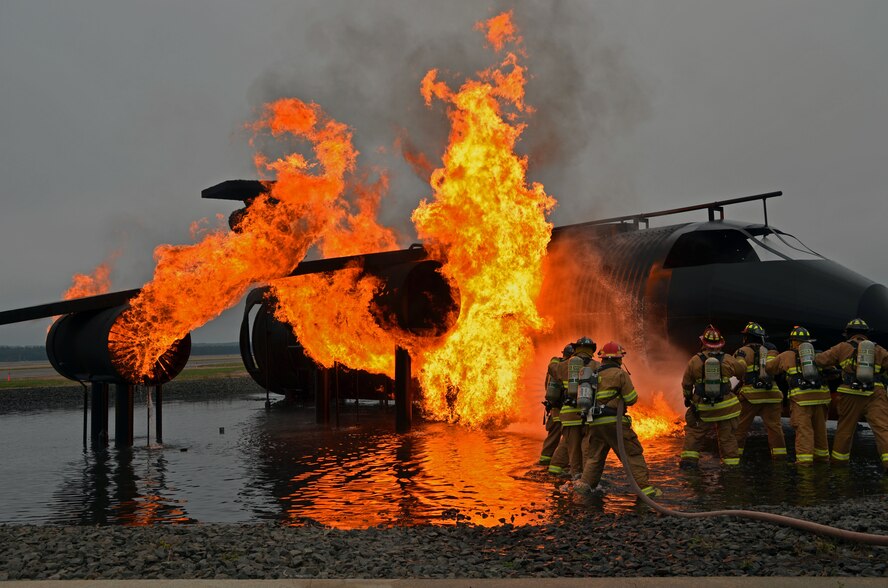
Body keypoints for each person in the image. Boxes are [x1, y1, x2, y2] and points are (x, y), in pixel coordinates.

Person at [575, 341, 660, 497]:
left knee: (594, 458)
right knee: (632, 454)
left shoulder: (594, 374)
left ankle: (583, 489)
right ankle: (646, 491)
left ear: (603, 358)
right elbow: (631, 399)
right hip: (614, 423)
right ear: (618, 358)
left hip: (595, 424)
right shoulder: (620, 374)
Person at [815, 318, 888, 472]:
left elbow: (821, 360)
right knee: (883, 429)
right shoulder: (879, 349)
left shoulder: (842, 347)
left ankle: (839, 466)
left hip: (850, 393)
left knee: (845, 430)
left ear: (848, 333)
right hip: (875, 393)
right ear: (867, 334)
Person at [680, 325, 746, 468]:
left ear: (703, 343)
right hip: (726, 409)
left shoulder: (694, 361)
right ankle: (731, 468)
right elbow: (741, 371)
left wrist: (688, 398)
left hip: (704, 409)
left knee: (694, 435)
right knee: (727, 438)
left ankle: (689, 465)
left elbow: (686, 384)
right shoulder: (727, 359)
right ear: (720, 343)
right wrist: (740, 358)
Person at [766, 326, 831, 465]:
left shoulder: (785, 355)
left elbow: (769, 368)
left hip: (802, 401)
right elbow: (831, 370)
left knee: (804, 431)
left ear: (793, 342)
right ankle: (823, 460)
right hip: (821, 399)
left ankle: (804, 465)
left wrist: (771, 354)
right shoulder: (819, 354)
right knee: (820, 431)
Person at [732, 322, 786, 460]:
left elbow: (738, 371)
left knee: (740, 428)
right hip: (772, 395)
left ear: (747, 337)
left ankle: (733, 458)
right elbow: (777, 370)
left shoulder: (742, 351)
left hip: (750, 396)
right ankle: (779, 459)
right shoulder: (771, 352)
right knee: (775, 429)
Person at [548, 337, 598, 478]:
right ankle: (585, 478)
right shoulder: (597, 366)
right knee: (587, 448)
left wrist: (555, 359)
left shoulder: (564, 366)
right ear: (592, 351)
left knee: (572, 448)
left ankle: (568, 475)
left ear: (575, 349)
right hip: (588, 415)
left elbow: (552, 369)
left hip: (569, 415)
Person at [538, 343, 573, 466]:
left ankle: (544, 460)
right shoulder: (567, 368)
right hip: (565, 409)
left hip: (553, 408)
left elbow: (546, 386)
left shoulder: (554, 367)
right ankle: (561, 464)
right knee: (569, 437)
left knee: (553, 436)